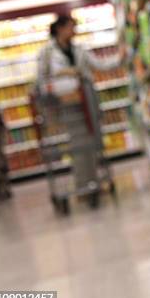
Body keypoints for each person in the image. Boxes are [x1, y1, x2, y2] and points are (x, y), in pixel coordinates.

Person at [36, 14, 127, 191]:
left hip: (85, 100)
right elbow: (41, 80)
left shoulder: (79, 50)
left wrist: (120, 58)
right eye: (71, 27)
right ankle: (83, 183)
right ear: (60, 29)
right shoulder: (46, 53)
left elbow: (100, 65)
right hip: (64, 105)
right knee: (77, 144)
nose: (74, 31)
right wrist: (64, 76)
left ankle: (93, 181)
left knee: (91, 142)